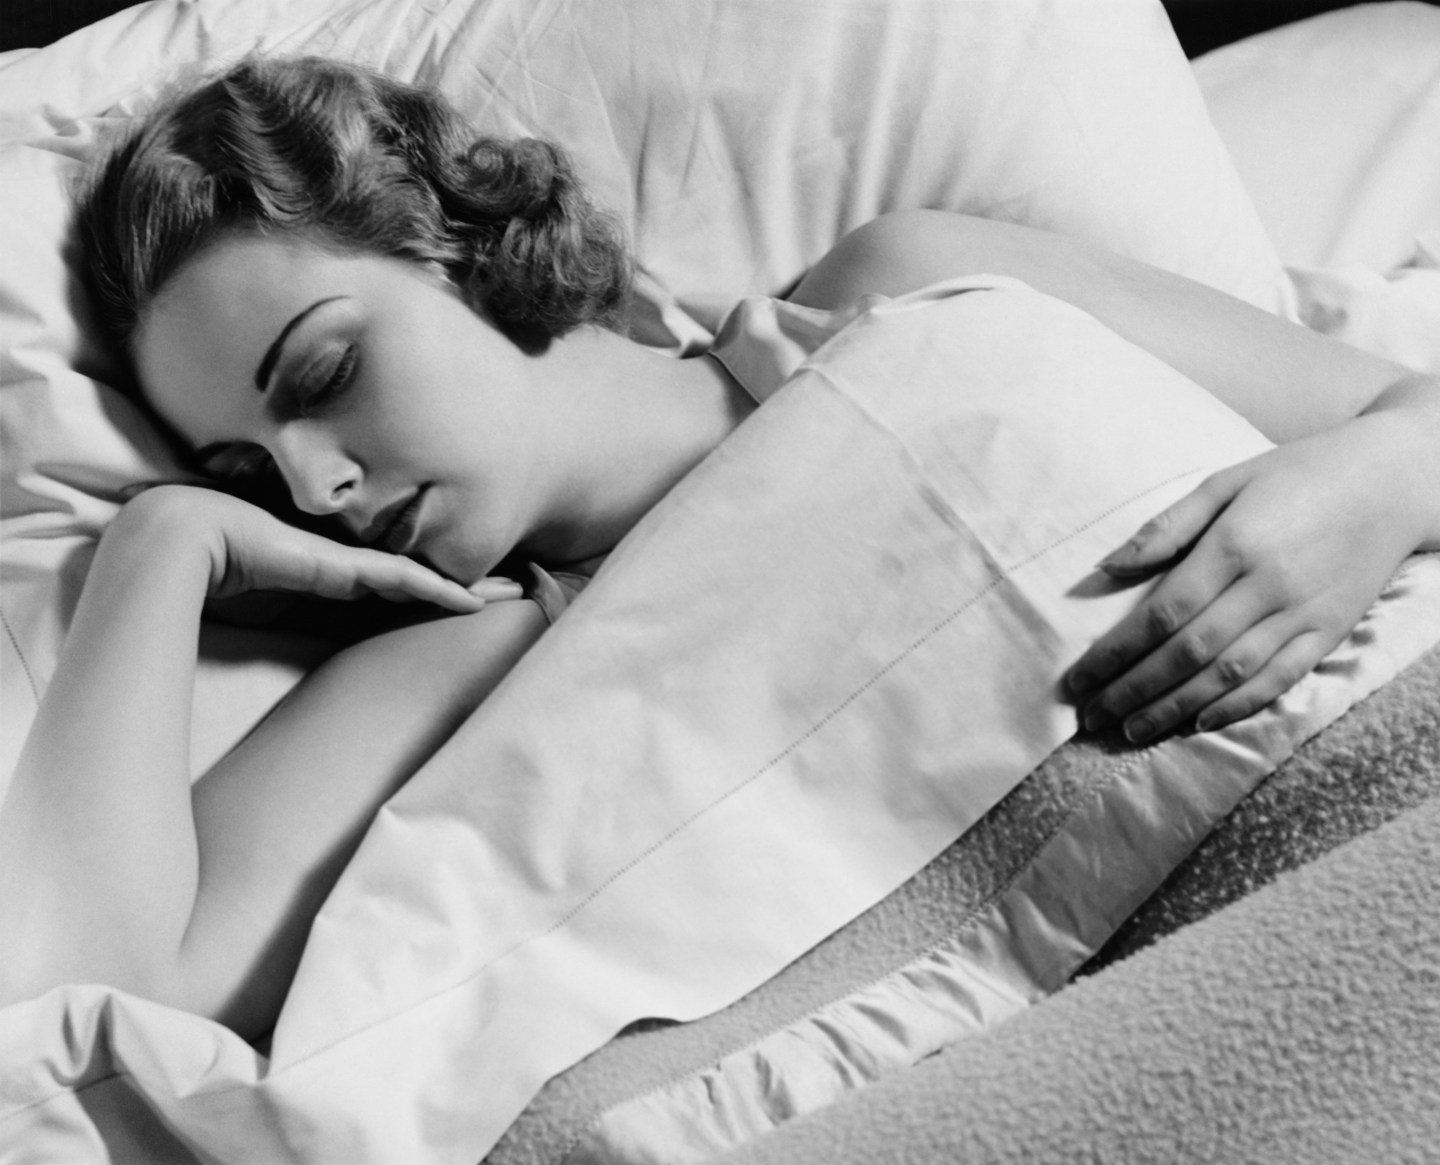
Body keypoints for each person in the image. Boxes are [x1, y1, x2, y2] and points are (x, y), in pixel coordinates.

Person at [2, 55, 1437, 1041]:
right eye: (250, 470)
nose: (311, 486)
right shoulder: (458, 657)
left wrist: (1366, 491)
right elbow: (101, 990)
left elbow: (1402, 410)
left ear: (455, 240)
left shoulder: (897, 291)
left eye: (319, 377)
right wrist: (158, 544)